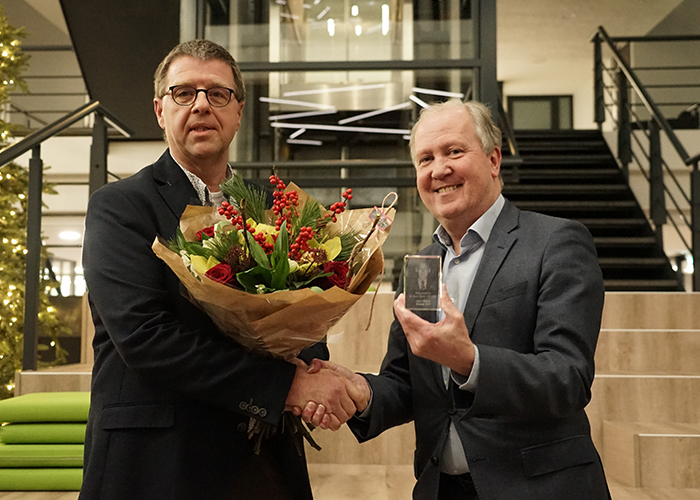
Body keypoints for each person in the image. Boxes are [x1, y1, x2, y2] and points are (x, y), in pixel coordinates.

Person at [80, 39, 363, 500]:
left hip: (264, 460)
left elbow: (312, 304)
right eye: (183, 93)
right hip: (158, 462)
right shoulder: (119, 208)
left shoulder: (276, 207)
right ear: (159, 109)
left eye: (217, 94)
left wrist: (314, 368)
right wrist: (285, 386)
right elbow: (145, 337)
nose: (200, 105)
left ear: (238, 111)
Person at [301, 99, 612, 500]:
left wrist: (468, 359)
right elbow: (407, 384)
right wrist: (362, 392)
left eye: (454, 151)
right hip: (441, 490)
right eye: (425, 159)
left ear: (494, 159)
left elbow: (567, 378)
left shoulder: (555, 242)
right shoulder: (422, 264)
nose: (438, 170)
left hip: (540, 488)